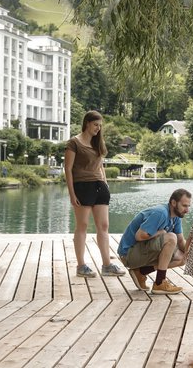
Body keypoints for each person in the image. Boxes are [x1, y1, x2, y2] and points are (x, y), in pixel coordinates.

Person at [65, 110, 125, 278]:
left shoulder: (98, 142)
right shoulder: (74, 143)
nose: (98, 128)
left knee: (104, 226)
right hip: (82, 186)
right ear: (87, 124)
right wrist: (71, 194)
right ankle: (81, 265)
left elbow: (100, 165)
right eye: (95, 125)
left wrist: (105, 183)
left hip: (99, 187)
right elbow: (68, 169)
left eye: (100, 126)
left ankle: (107, 265)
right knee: (82, 225)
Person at [117, 188, 191, 294]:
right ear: (173, 203)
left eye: (188, 206)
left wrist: (192, 253)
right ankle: (160, 283)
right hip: (128, 254)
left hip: (140, 252)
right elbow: (139, 236)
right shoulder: (160, 213)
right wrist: (161, 233)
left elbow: (180, 241)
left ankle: (141, 272)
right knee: (171, 237)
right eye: (184, 206)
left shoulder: (176, 217)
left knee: (183, 258)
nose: (187, 210)